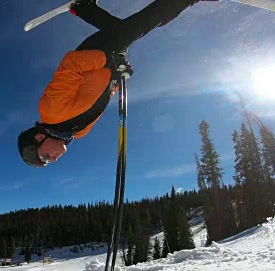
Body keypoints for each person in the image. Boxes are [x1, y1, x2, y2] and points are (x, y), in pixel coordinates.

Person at [17, 0, 216, 167]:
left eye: (44, 156)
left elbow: (72, 64)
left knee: (147, 21)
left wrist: (107, 59)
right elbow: (101, 95)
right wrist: (118, 78)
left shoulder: (51, 111)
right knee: (131, 26)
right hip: (110, 62)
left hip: (96, 52)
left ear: (39, 138)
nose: (53, 159)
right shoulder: (79, 132)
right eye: (48, 162)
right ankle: (84, 7)